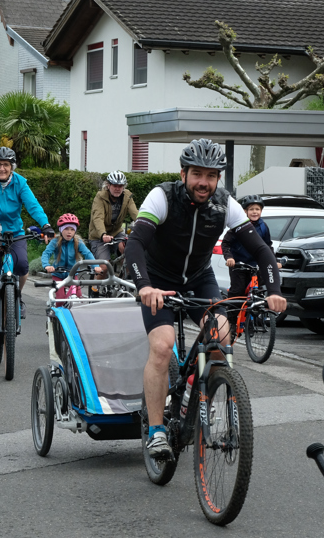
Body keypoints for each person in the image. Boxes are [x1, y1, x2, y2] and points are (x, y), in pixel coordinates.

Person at [124, 138, 286, 458]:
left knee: (222, 336)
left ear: (218, 179)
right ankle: (156, 431)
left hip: (199, 278)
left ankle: (199, 397)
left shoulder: (226, 204)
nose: (204, 182)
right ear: (183, 173)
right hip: (158, 281)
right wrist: (144, 286)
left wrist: (274, 292)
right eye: (197, 174)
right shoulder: (162, 196)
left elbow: (262, 252)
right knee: (161, 345)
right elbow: (135, 245)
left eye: (211, 176)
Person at [0, 147, 54, 355]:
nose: (2, 168)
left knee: (22, 265)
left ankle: (17, 296)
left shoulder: (20, 182)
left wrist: (45, 224)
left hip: (14, 234)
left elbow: (33, 205)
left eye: (6, 164)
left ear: (12, 166)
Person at [88, 170, 137, 290]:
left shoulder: (127, 197)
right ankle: (95, 289)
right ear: (108, 185)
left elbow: (135, 214)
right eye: (115, 185)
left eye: (120, 186)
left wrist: (147, 226)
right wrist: (103, 234)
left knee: (129, 254)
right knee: (104, 266)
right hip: (98, 235)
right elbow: (97, 217)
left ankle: (123, 281)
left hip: (116, 232)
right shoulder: (100, 197)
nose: (117, 189)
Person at [43, 213, 96, 298]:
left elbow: (87, 253)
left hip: (72, 275)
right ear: (61, 230)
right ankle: (56, 310)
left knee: (78, 298)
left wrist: (95, 266)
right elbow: (46, 253)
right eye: (66, 229)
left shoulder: (78, 242)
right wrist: (47, 266)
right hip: (58, 275)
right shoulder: (55, 241)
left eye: (72, 229)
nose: (69, 232)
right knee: (60, 298)